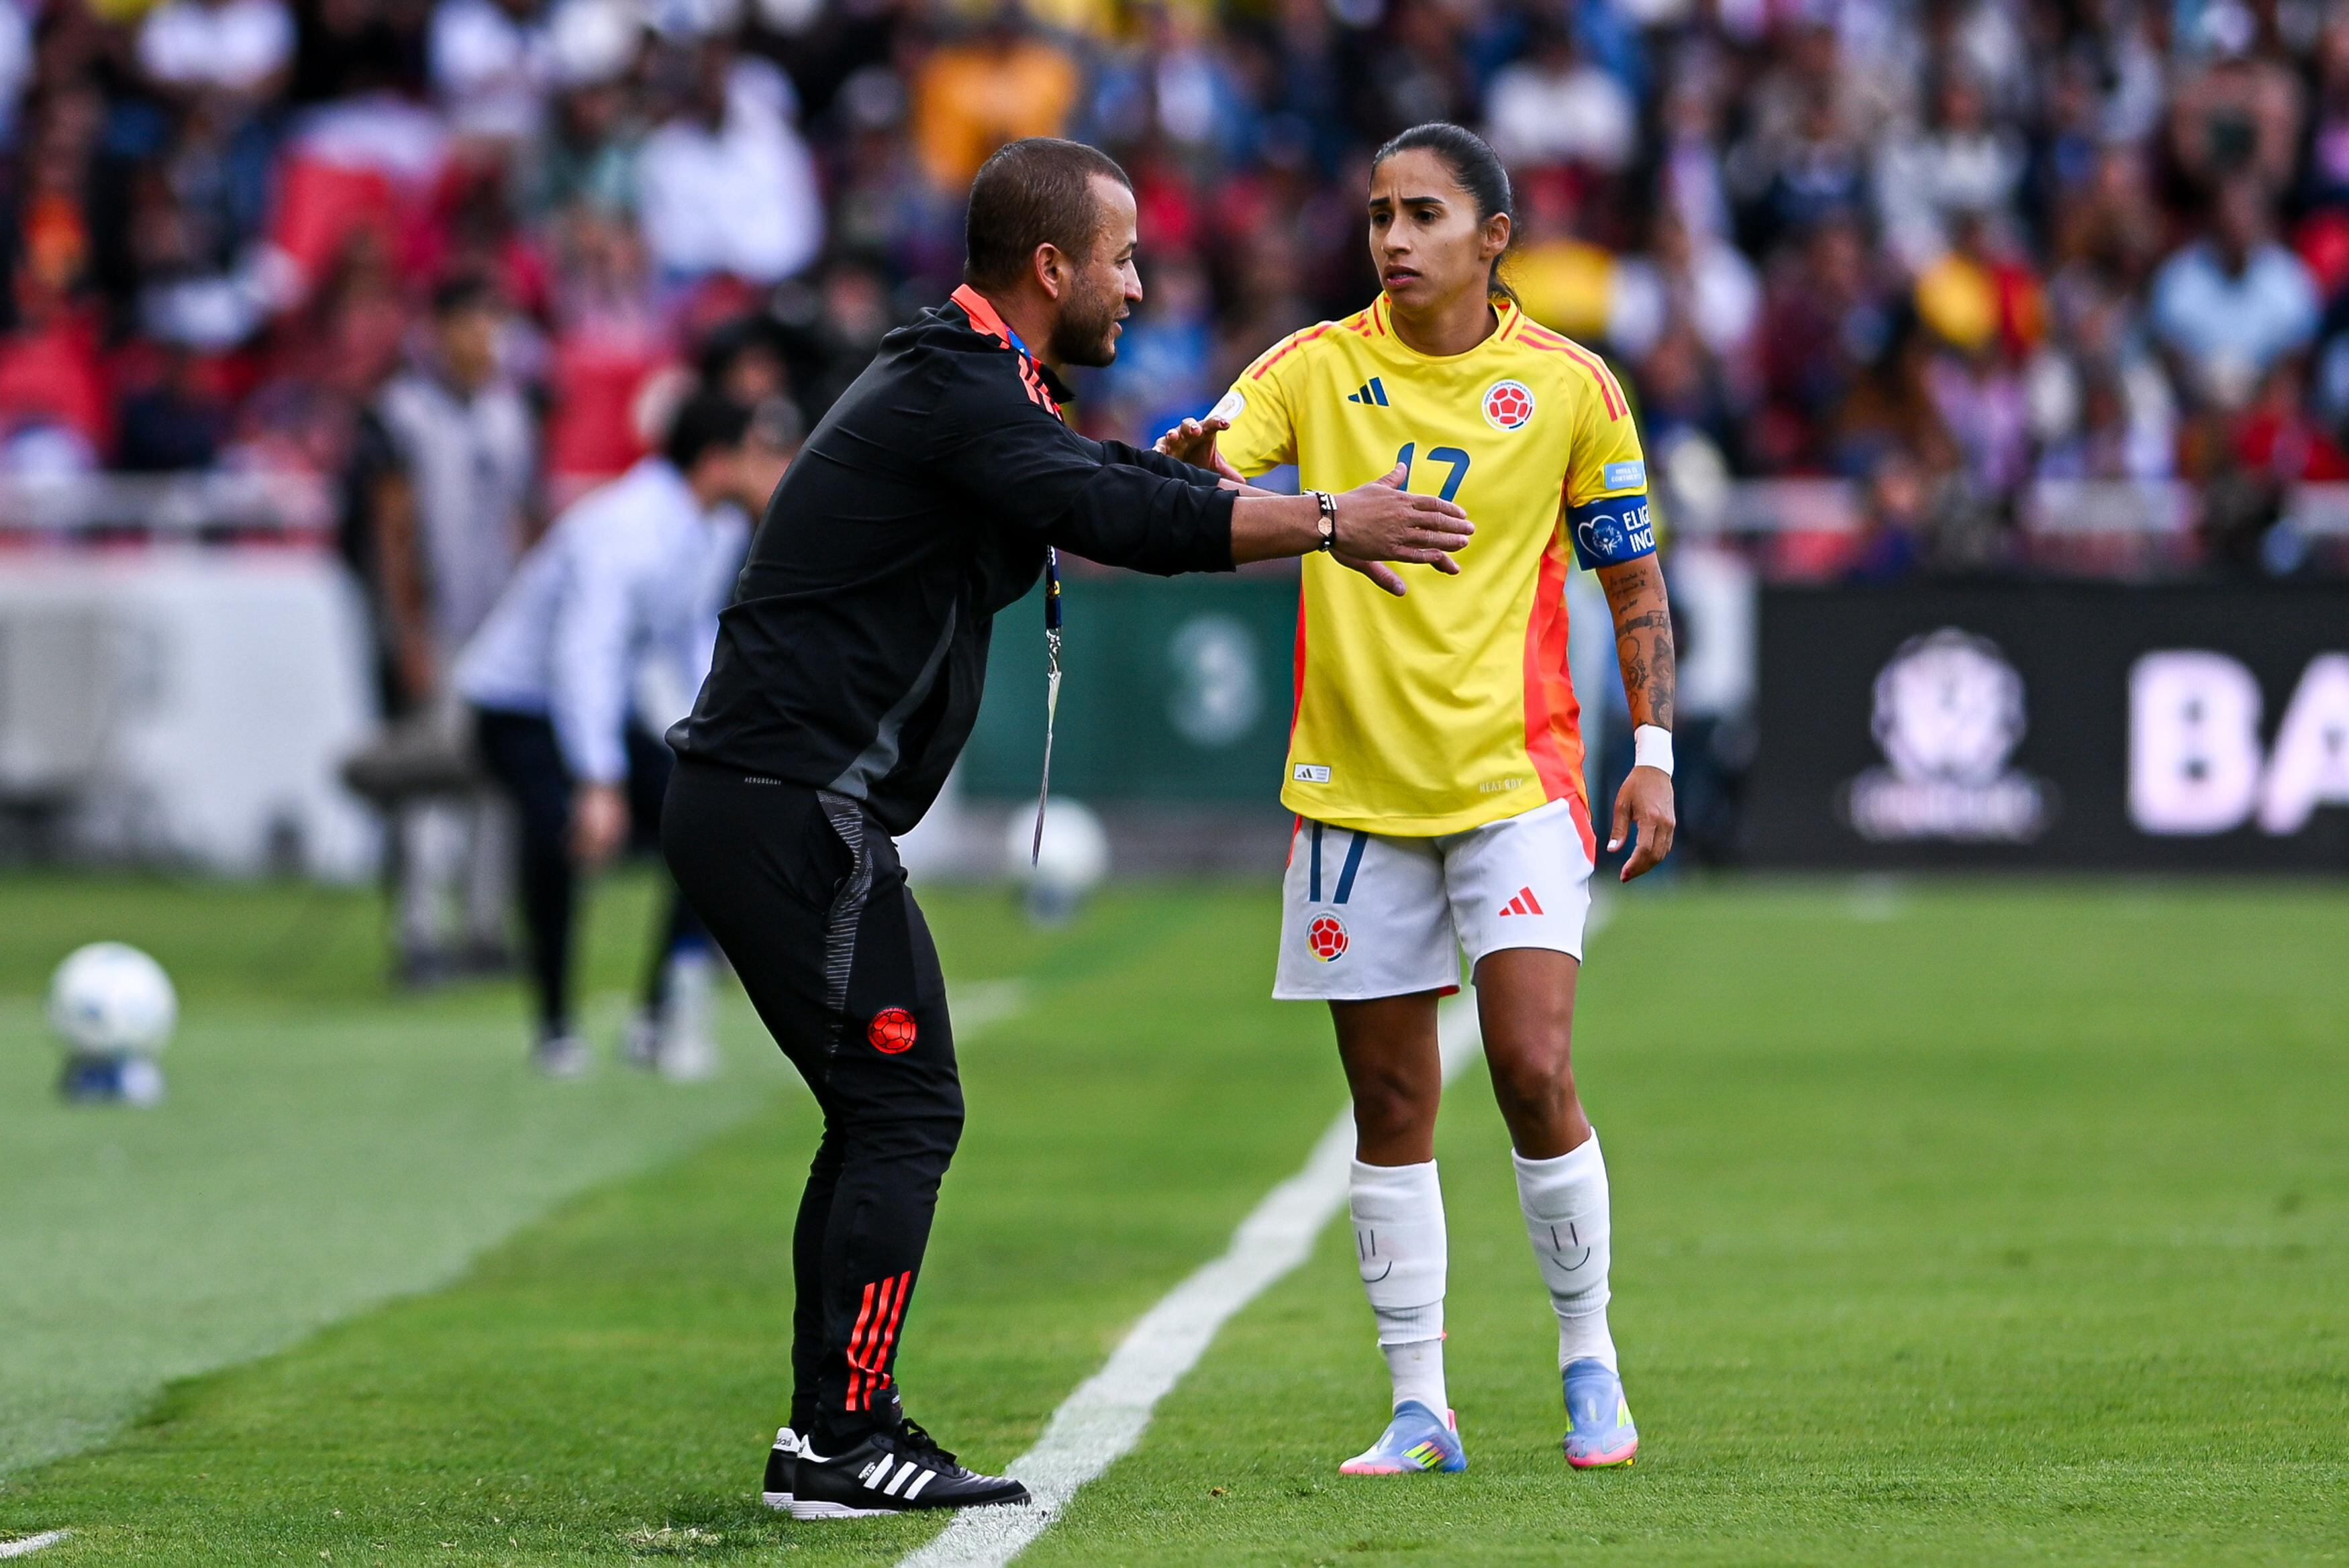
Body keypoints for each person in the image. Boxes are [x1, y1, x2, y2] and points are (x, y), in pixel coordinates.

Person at [658, 136, 1475, 1520]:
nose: (1139, 285)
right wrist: (1330, 519)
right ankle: (843, 1435)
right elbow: (1108, 510)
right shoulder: (952, 390)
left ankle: (830, 1434)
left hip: (779, 801)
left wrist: (1222, 489)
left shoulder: (970, 381)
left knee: (879, 1107)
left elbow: (1110, 481)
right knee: (905, 1103)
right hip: (787, 803)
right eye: (1121, 258)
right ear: (1050, 267)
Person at [1156, 121, 1677, 1477]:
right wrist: (1199, 455)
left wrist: (1656, 750)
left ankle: (1587, 1355)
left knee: (1531, 1065)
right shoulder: (1318, 364)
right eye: (1381, 213)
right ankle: (1419, 1402)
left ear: (1492, 238)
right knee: (1389, 1102)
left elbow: (1632, 586)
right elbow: (1214, 461)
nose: (1393, 238)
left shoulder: (1571, 388)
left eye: (1424, 214)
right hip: (1350, 794)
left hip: (1517, 778)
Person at [454, 390, 785, 1078]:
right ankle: (554, 1029)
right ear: (718, 462)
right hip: (515, 704)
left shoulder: (714, 530)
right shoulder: (623, 528)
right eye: (766, 454)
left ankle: (657, 1020)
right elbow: (586, 654)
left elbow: (686, 641)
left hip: (590, 702)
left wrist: (721, 743)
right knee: (559, 832)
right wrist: (597, 780)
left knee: (708, 824)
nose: (781, 469)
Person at [358, 275, 539, 986]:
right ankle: (419, 929)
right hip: (434, 620)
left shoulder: (510, 411)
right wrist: (404, 630)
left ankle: (486, 924)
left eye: (492, 325)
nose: (483, 340)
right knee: (424, 771)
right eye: (471, 324)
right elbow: (393, 529)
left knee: (499, 774)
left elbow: (526, 520)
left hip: (499, 623)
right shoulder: (401, 411)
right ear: (438, 330)